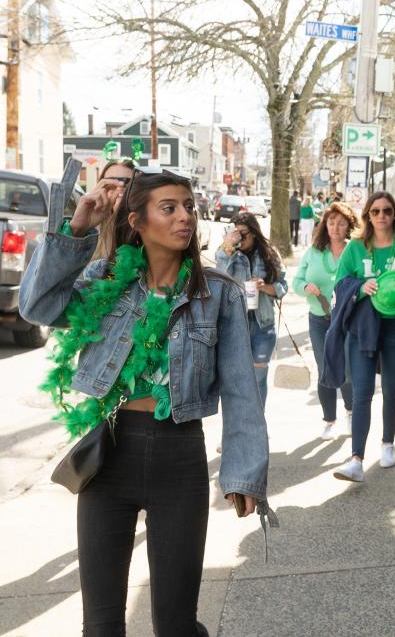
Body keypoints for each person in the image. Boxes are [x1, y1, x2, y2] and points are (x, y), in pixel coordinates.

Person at [19, 167, 270, 636]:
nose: (185, 218)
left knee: (175, 625)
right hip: (109, 457)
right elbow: (36, 307)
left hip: (180, 460)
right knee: (102, 624)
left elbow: (242, 391)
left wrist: (244, 471)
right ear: (137, 220)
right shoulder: (106, 278)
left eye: (189, 208)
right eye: (169, 208)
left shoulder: (217, 293)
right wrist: (76, 229)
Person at [331, 191, 395, 482]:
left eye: (387, 211)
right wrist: (360, 288)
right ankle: (356, 459)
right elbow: (340, 284)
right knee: (362, 391)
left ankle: (388, 443)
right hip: (363, 328)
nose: (381, 216)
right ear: (367, 215)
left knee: (391, 389)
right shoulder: (355, 248)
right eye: (375, 211)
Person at [293, 201, 357, 439]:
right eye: (331, 223)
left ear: (349, 226)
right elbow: (296, 281)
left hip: (347, 320)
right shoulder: (314, 250)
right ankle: (329, 419)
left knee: (348, 368)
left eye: (341, 223)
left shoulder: (355, 250)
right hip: (319, 319)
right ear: (325, 224)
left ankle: (351, 413)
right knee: (325, 368)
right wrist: (305, 287)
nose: (335, 228)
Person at [216, 212, 288, 410]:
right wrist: (228, 247)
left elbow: (283, 286)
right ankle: (236, 427)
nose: (239, 238)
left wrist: (265, 286)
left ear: (254, 233)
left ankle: (256, 426)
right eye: (235, 233)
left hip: (262, 325)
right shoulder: (226, 252)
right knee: (235, 381)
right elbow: (218, 278)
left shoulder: (269, 254)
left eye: (243, 234)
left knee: (257, 380)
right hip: (235, 325)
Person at [92, 157, 137, 260]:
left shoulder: (147, 228)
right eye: (110, 184)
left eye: (128, 184)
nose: (119, 188)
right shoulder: (91, 232)